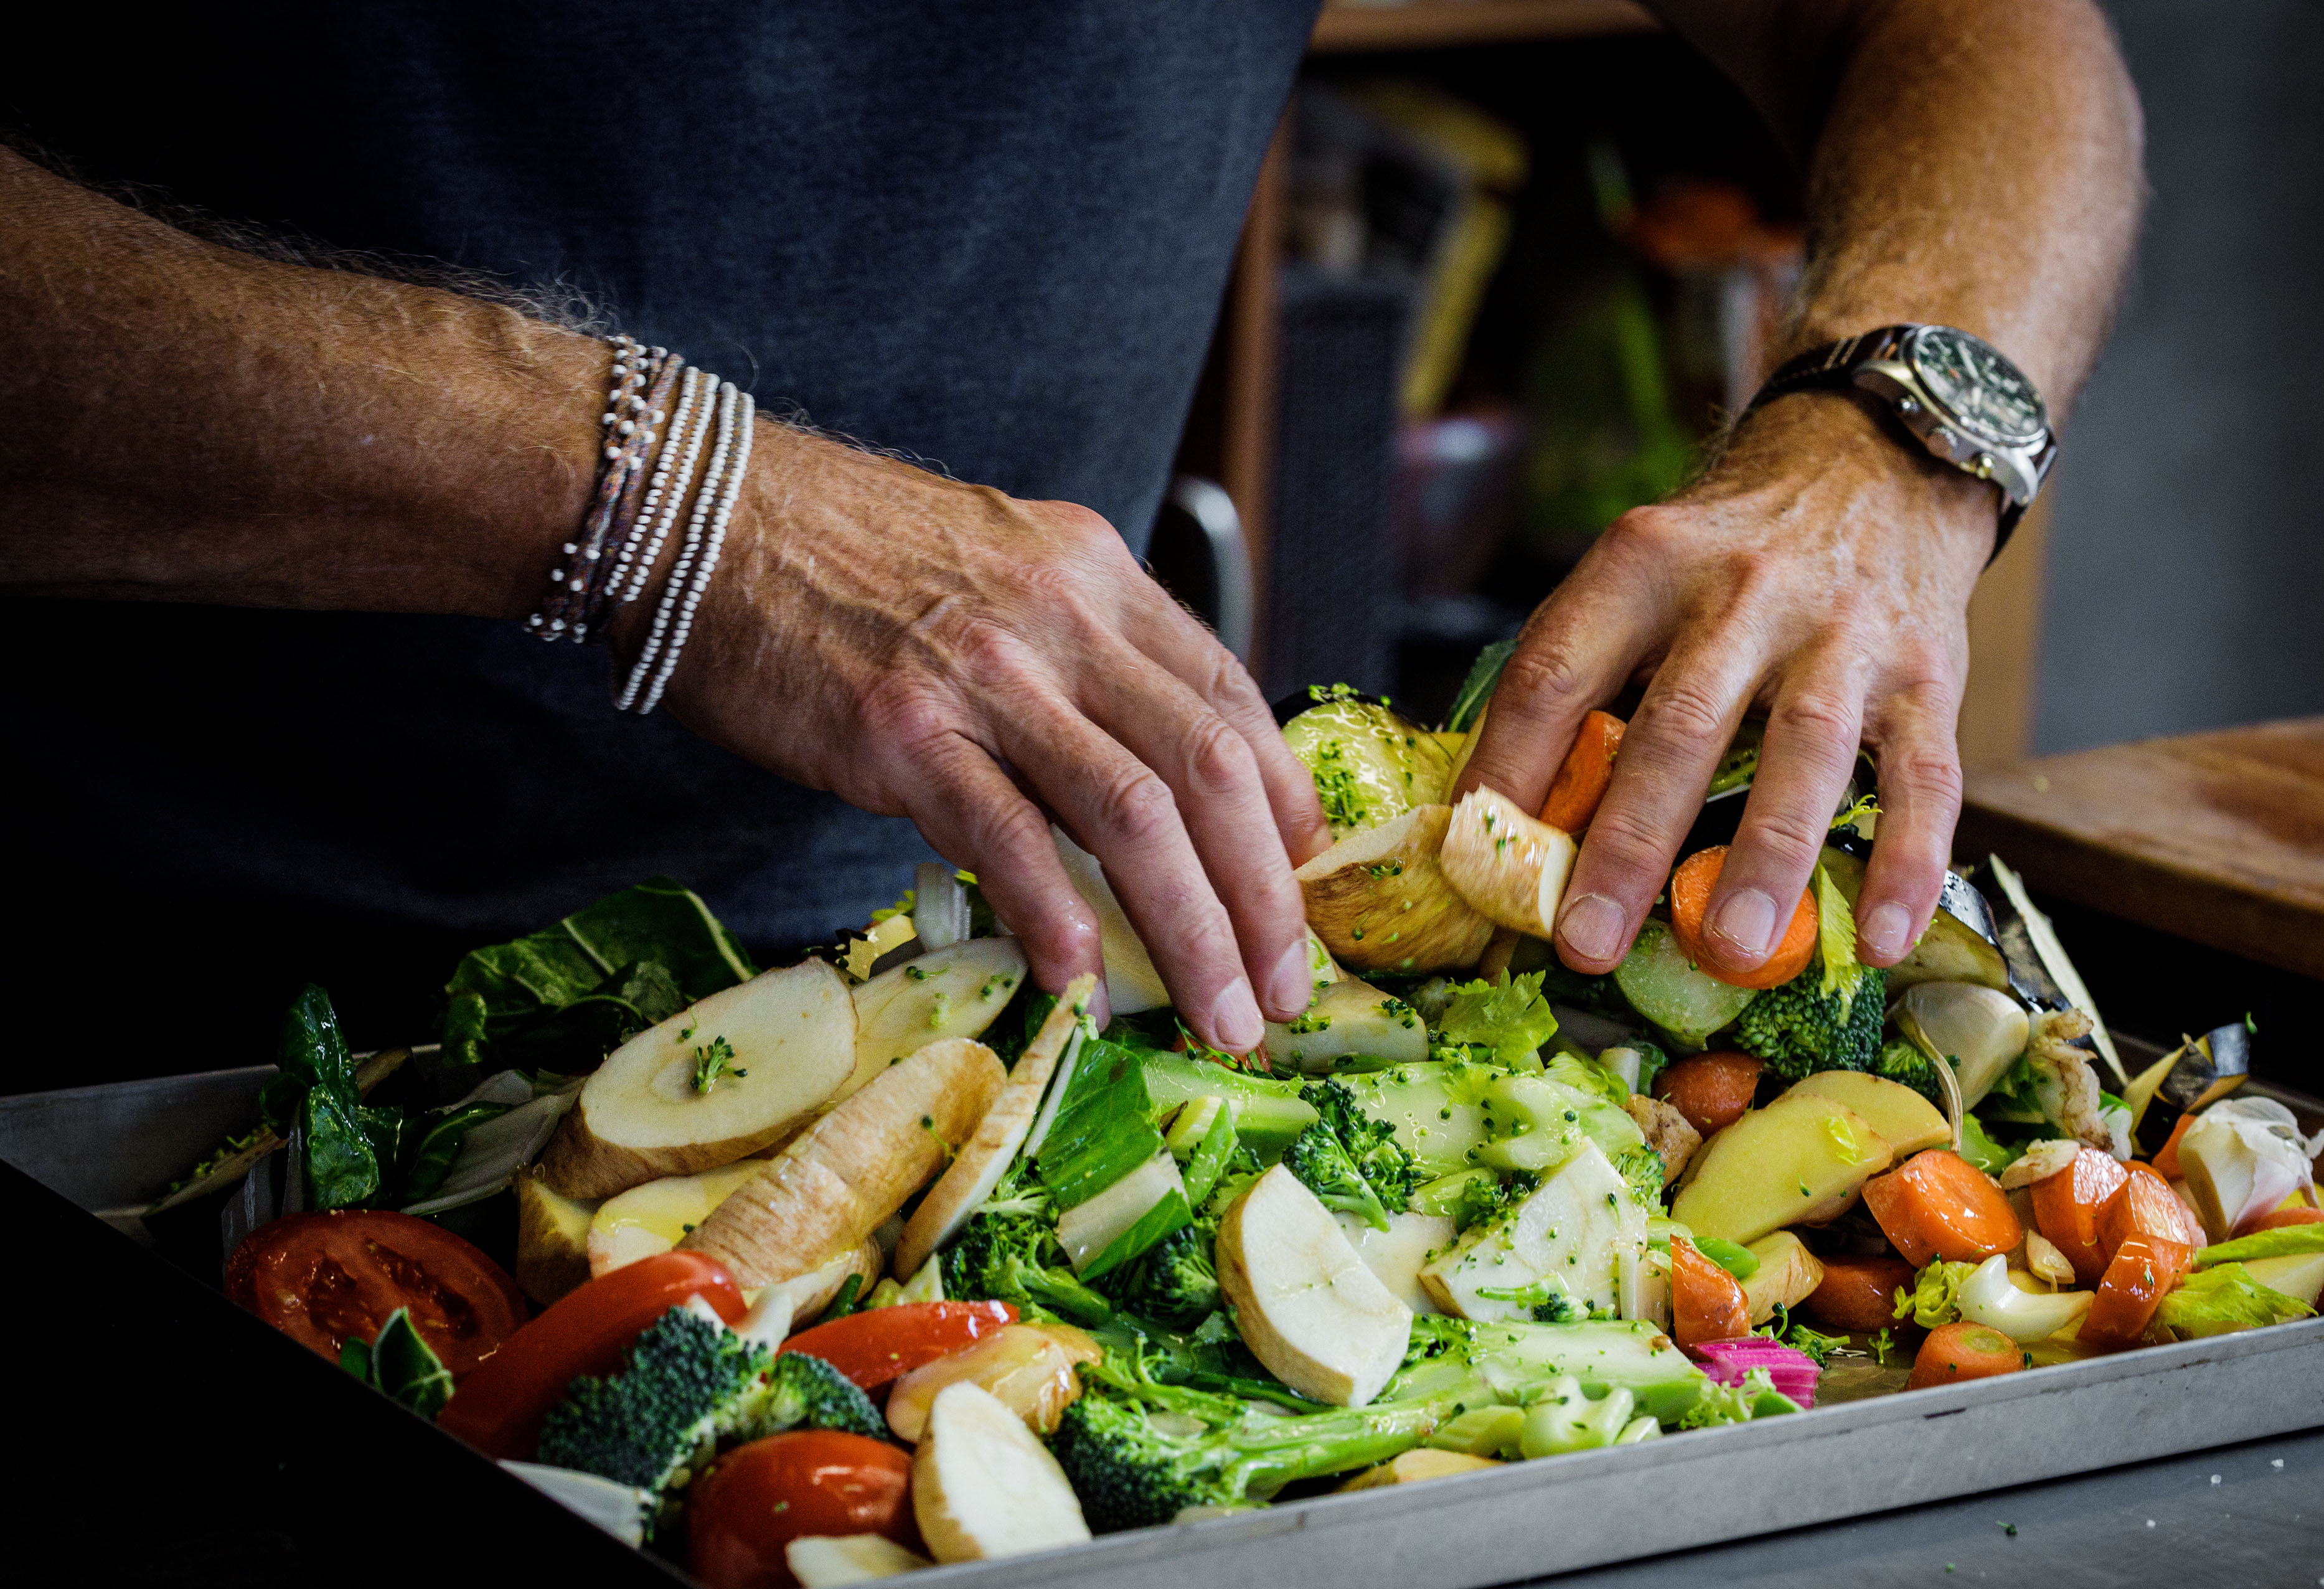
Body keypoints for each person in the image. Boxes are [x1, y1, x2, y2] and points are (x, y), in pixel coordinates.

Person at [0, 2, 2140, 1091]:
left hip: (983, 973)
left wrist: (1894, 439)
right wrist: (678, 507)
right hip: (108, 984)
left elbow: (1984, 36)